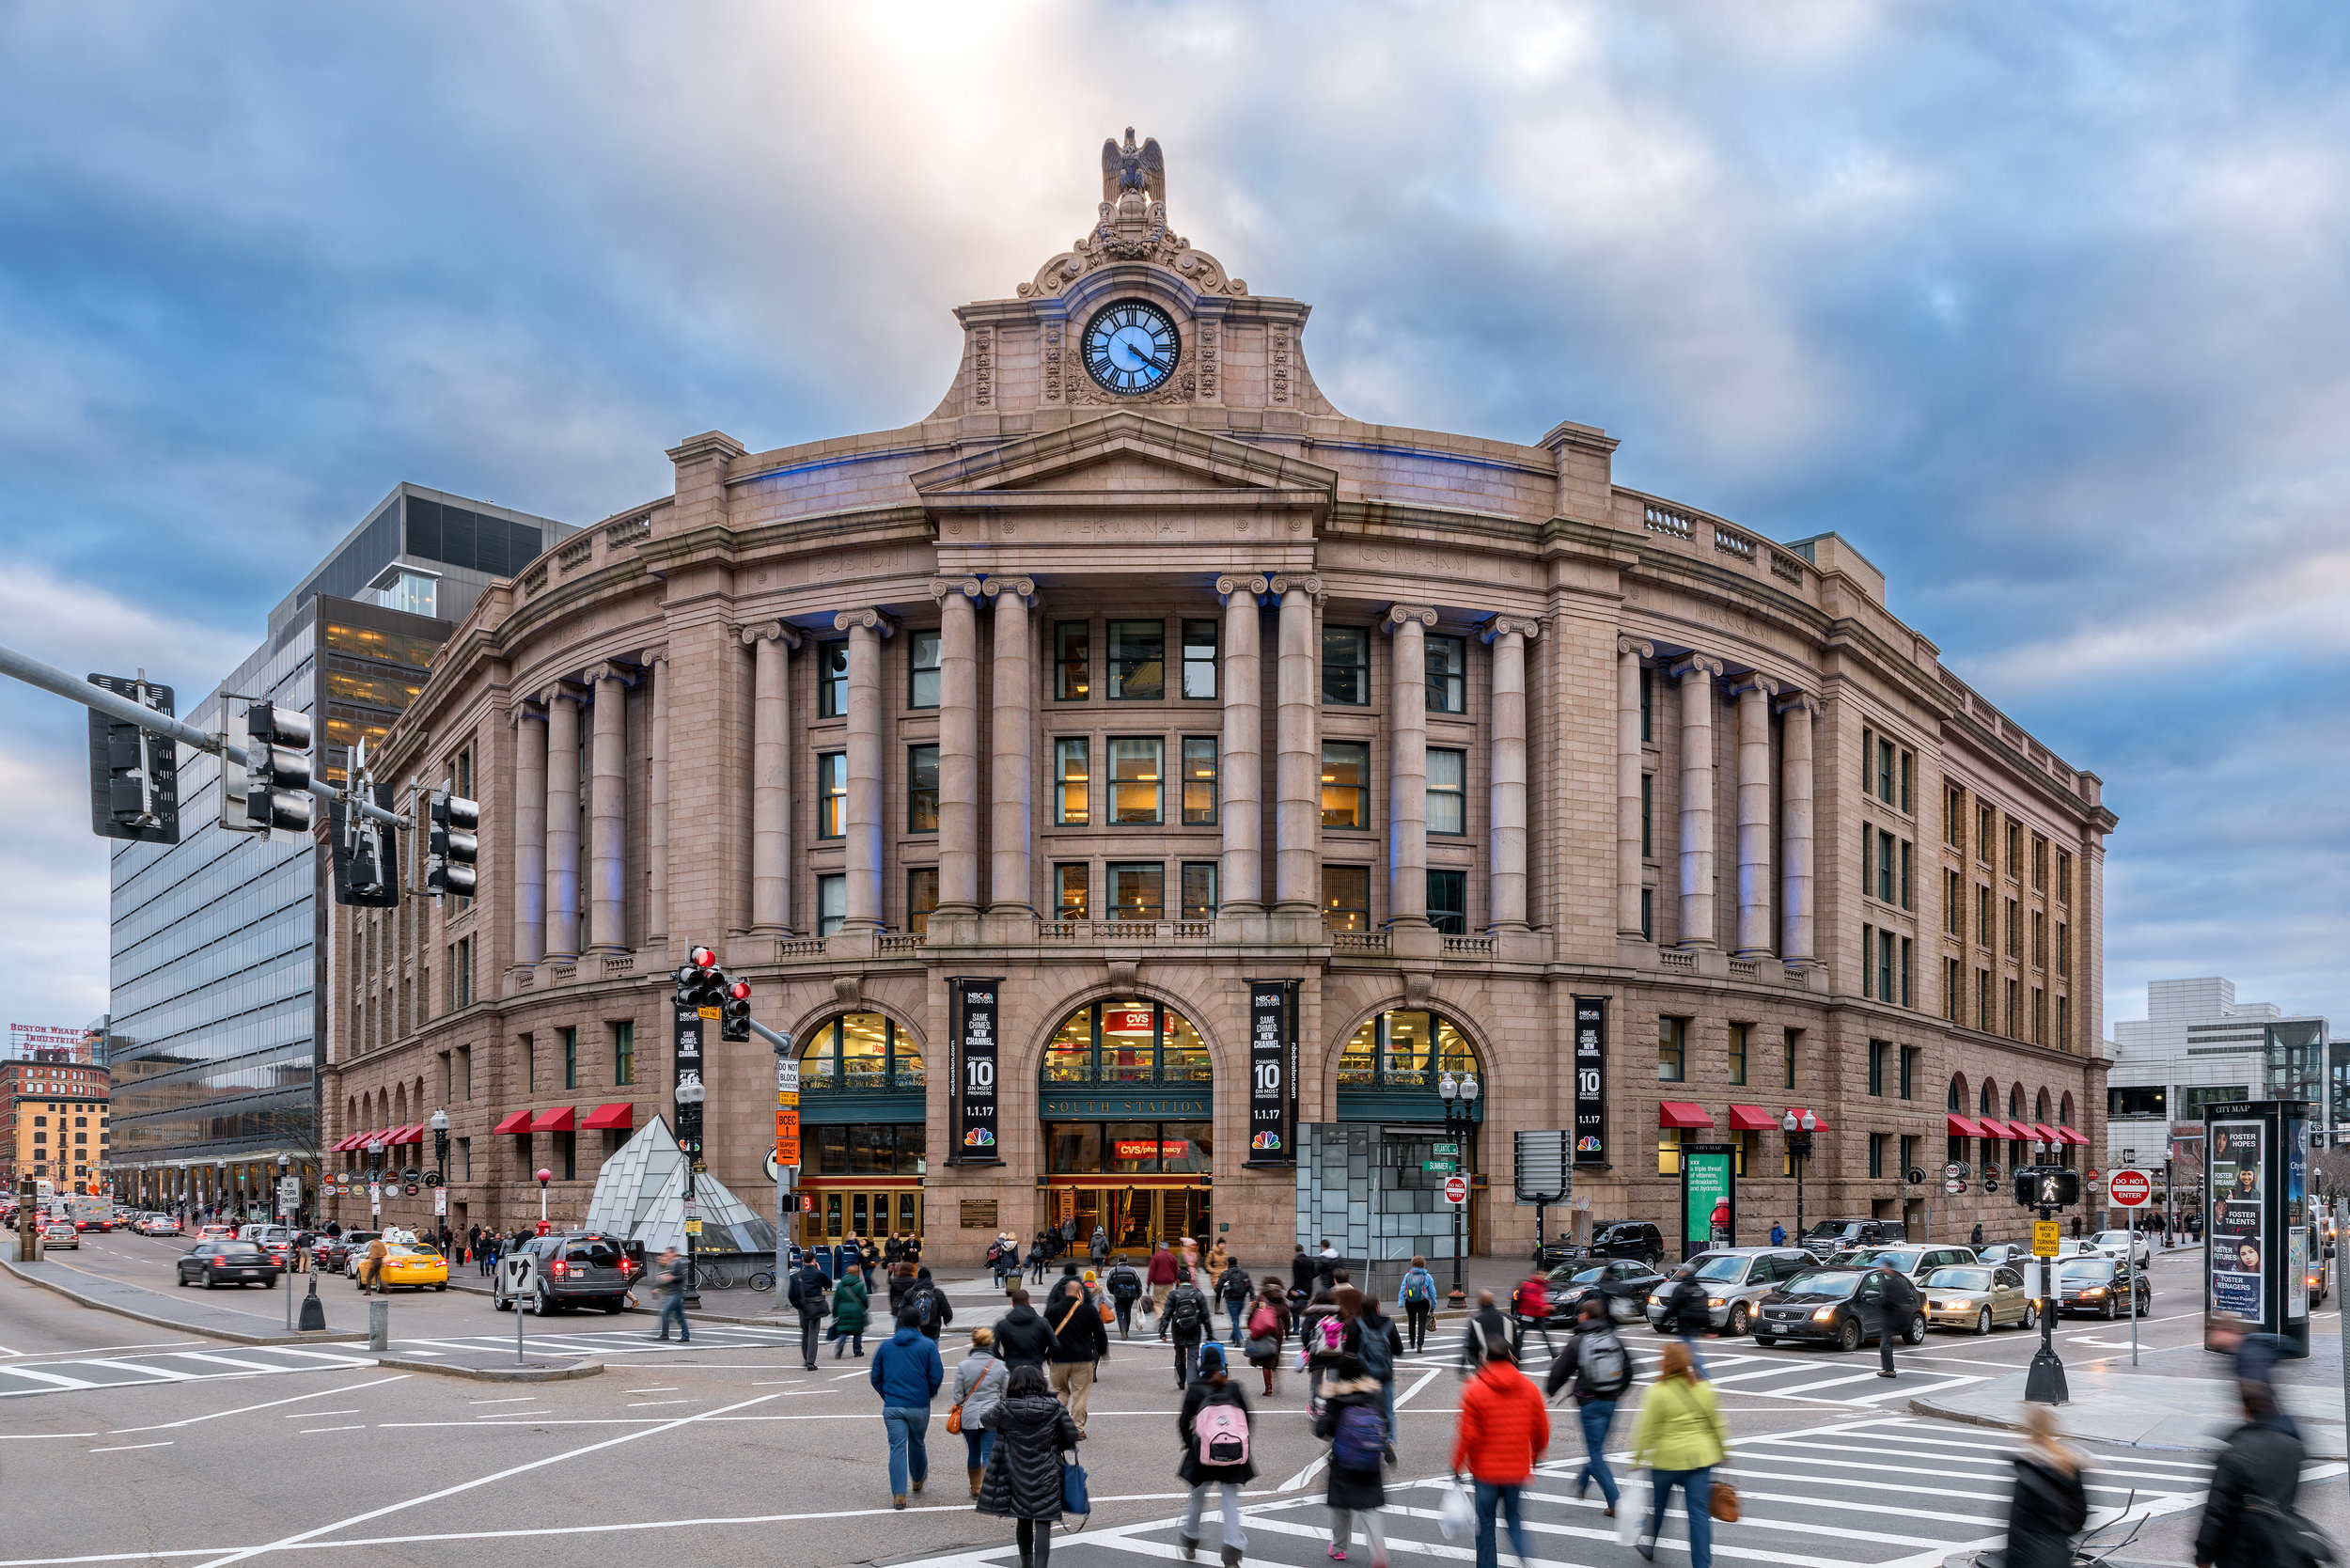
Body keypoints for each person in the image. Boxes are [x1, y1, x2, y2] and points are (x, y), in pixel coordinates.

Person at [1450, 1340, 1548, 1568]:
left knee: (1486, 1525)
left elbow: (1467, 1435)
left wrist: (1457, 1466)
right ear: (1510, 1358)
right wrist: (1535, 1458)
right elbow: (1541, 1429)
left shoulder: (1475, 1389)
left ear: (1485, 1360)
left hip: (1485, 1472)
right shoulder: (1529, 1388)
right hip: (1516, 1470)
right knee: (1513, 1518)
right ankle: (1526, 1557)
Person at [1631, 1341, 1729, 1566]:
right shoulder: (1704, 1389)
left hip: (1666, 1461)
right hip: (1699, 1460)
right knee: (1698, 1515)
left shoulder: (1657, 1392)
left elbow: (1645, 1428)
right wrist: (1724, 1451)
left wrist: (1637, 1458)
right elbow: (1717, 1423)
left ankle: (1649, 1545)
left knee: (1659, 1505)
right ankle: (1702, 1563)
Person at [2194, 1382, 2309, 1568]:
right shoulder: (2292, 1448)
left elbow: (2217, 1511)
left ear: (2245, 1410)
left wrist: (2204, 1555)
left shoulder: (2235, 1453)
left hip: (2242, 1551)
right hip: (2282, 1548)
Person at [977, 1363, 1081, 1568]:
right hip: (1047, 1471)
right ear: (1041, 1382)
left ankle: (1026, 1564)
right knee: (1044, 1520)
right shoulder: (1055, 1406)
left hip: (1016, 1472)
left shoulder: (1005, 1408)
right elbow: (1072, 1436)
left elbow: (985, 1420)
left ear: (1013, 1384)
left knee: (1023, 1519)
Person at [1547, 1296, 1633, 1517]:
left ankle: (1615, 1502)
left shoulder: (1578, 1341)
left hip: (1590, 1403)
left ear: (1586, 1316)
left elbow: (1559, 1372)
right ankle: (1583, 1482)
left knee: (1596, 1453)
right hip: (1611, 1402)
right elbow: (1631, 1371)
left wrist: (1551, 1390)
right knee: (1597, 1449)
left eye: (1580, 1313)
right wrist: (1616, 1392)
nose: (1578, 1316)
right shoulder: (1613, 1339)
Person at [1178, 1341, 1257, 1567]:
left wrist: (1189, 1444)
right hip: (1232, 1453)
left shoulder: (1195, 1389)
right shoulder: (1233, 1387)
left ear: (1202, 1363)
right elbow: (1248, 1420)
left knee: (1197, 1497)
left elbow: (1183, 1423)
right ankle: (1232, 1550)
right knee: (1230, 1501)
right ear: (1223, 1364)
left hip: (1202, 1453)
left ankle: (1191, 1537)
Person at [1315, 1352, 1390, 1564]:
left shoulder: (1336, 1398)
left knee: (1341, 1506)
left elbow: (1322, 1431)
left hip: (1343, 1460)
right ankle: (1378, 1551)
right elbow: (1384, 1424)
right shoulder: (1373, 1395)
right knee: (1369, 1508)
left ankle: (1338, 1548)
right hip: (1370, 1460)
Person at [871, 1308, 945, 1510]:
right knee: (917, 1442)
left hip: (893, 1405)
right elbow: (936, 1375)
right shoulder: (928, 1345)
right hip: (918, 1404)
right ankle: (918, 1478)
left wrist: (886, 1395)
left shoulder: (885, 1347)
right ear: (919, 1325)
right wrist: (928, 1393)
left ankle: (899, 1494)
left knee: (897, 1447)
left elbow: (875, 1377)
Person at [2003, 1404, 2089, 1568]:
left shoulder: (2027, 1468)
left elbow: (2016, 1523)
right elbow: (2080, 1515)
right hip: (2056, 1555)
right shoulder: (2069, 1465)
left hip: (2024, 1557)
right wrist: (2057, 1536)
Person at [1044, 1267, 1109, 1435]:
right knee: (1080, 1394)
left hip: (1059, 1357)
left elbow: (1045, 1332)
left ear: (1064, 1292)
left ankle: (1055, 1424)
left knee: (1060, 1392)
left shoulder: (1053, 1310)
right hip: (1083, 1357)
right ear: (1080, 1292)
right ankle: (1077, 1427)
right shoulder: (1088, 1311)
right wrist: (1102, 1351)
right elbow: (1100, 1333)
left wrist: (1045, 1353)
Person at [952, 1325, 1011, 1498]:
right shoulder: (999, 1366)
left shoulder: (963, 1366)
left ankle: (975, 1486)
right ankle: (988, 1488)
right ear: (991, 1343)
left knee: (973, 1452)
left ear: (973, 1342)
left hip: (969, 1414)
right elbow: (1005, 1391)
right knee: (989, 1453)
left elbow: (957, 1394)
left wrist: (964, 1403)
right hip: (991, 1413)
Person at [1349, 1294, 1404, 1440]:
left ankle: (1367, 1439)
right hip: (1385, 1374)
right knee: (1388, 1410)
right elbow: (1399, 1350)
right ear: (1378, 1307)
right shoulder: (1388, 1323)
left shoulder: (1356, 1324)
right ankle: (1390, 1440)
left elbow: (1349, 1351)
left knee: (1363, 1409)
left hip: (1363, 1375)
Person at [1867, 1257, 1919, 1379]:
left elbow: (1892, 1301)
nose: (1881, 1268)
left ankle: (1889, 1370)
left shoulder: (1894, 1282)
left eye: (1883, 1266)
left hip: (1891, 1319)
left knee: (1885, 1345)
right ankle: (1888, 1368)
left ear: (1888, 1268)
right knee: (1886, 1344)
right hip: (1893, 1318)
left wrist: (1880, 1304)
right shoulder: (1896, 1281)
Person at [1656, 1262, 1711, 1375]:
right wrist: (1709, 1328)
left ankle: (1704, 1378)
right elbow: (1704, 1310)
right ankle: (1696, 1377)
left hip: (1685, 1326)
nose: (1679, 1273)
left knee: (1691, 1355)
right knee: (1690, 1353)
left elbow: (1671, 1308)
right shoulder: (1698, 1288)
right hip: (1694, 1327)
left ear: (1685, 1273)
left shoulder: (1681, 1288)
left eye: (1680, 1271)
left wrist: (1661, 1322)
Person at [1162, 1265, 1214, 1388]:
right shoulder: (1198, 1294)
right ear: (1191, 1280)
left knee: (1179, 1355)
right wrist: (1209, 1333)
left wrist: (1162, 1331)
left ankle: (1181, 1380)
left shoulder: (1173, 1294)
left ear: (1178, 1281)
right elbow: (1205, 1315)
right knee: (1192, 1356)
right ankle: (1192, 1382)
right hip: (1194, 1328)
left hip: (1178, 1328)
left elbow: (1167, 1314)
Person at [1245, 1279, 1291, 1396]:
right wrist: (1287, 1332)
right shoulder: (1281, 1298)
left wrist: (1251, 1324)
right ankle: (1275, 1374)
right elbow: (1286, 1315)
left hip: (1264, 1328)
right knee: (1275, 1354)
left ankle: (1268, 1388)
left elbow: (1253, 1313)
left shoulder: (1262, 1297)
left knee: (1266, 1359)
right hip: (1277, 1329)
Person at [786, 1252, 831, 1370]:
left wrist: (798, 1306)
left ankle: (806, 1358)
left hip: (803, 1307)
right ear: (814, 1260)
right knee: (813, 1333)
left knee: (805, 1332)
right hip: (815, 1306)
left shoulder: (797, 1276)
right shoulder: (818, 1274)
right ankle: (811, 1361)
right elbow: (828, 1284)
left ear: (803, 1261)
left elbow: (791, 1295)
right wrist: (820, 1271)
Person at [994, 1288, 1056, 1371]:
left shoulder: (1002, 1324)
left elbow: (992, 1347)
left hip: (1011, 1367)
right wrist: (1043, 1357)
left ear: (1012, 1304)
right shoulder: (1042, 1323)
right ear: (1029, 1302)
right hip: (1035, 1367)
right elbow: (1055, 1345)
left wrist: (1003, 1361)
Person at [1461, 1288, 1510, 1378]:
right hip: (1508, 1365)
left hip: (1485, 1367)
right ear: (1493, 1301)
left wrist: (1464, 1363)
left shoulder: (1476, 1320)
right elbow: (1517, 1344)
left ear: (1479, 1302)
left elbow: (1470, 1346)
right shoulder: (1507, 1318)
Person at [1510, 1267, 1555, 1359]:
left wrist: (1545, 1305)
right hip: (1528, 1313)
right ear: (1536, 1275)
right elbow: (1531, 1298)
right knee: (1523, 1335)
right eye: (1542, 1274)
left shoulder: (1541, 1285)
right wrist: (1544, 1306)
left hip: (1536, 1314)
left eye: (1544, 1274)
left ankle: (1552, 1352)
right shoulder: (1531, 1285)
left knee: (1541, 1334)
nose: (1544, 1276)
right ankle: (1516, 1353)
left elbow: (1539, 1298)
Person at [648, 1247, 689, 1342]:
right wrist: (659, 1287)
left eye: (668, 1253)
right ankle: (685, 1335)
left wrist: (671, 1278)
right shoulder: (672, 1264)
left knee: (665, 1313)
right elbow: (668, 1280)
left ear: (673, 1253)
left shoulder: (678, 1263)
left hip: (676, 1293)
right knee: (680, 1316)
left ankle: (665, 1335)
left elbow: (681, 1276)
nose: (667, 1255)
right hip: (673, 1293)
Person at [832, 1256, 871, 1357]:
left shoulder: (841, 1285)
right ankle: (857, 1351)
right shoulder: (859, 1285)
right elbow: (864, 1299)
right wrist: (865, 1308)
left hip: (843, 1311)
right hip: (857, 1311)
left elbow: (836, 1300)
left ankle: (840, 1346)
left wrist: (835, 1313)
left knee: (844, 1330)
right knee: (858, 1332)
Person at [1398, 1256, 1438, 1352]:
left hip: (1410, 1302)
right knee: (1422, 1323)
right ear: (1423, 1264)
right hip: (1423, 1302)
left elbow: (1403, 1289)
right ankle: (1420, 1345)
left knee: (1411, 1322)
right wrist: (1433, 1305)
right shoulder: (1427, 1277)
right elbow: (1432, 1292)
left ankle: (1412, 1342)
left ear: (1412, 1264)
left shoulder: (1408, 1275)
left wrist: (1401, 1302)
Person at [908, 1265, 954, 1342]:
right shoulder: (937, 1293)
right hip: (933, 1330)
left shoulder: (910, 1293)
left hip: (915, 1331)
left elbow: (902, 1311)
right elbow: (948, 1312)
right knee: (931, 1352)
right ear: (930, 1278)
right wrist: (946, 1321)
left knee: (916, 1353)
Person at [1216, 1257, 1254, 1344]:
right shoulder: (1244, 1274)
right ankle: (1233, 1337)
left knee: (1235, 1319)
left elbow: (1218, 1287)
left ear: (1228, 1264)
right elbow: (1250, 1286)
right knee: (1236, 1319)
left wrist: (1220, 1293)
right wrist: (1252, 1298)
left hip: (1231, 1300)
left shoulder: (1225, 1274)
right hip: (1241, 1300)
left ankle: (1238, 1339)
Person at [1105, 1254, 1144, 1339]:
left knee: (1119, 1313)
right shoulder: (1132, 1271)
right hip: (1130, 1296)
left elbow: (1109, 1284)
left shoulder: (1113, 1271)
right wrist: (1139, 1294)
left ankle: (1122, 1328)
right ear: (1127, 1260)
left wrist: (1113, 1292)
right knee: (1127, 1312)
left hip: (1118, 1295)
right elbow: (1138, 1283)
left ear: (1118, 1261)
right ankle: (1126, 1329)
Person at [1149, 1240, 1181, 1315]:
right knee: (1166, 1300)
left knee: (1156, 1301)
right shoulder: (1172, 1257)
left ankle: (1160, 1315)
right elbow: (1176, 1270)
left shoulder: (1156, 1257)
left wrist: (1149, 1283)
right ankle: (1163, 1314)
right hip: (1169, 1283)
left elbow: (1152, 1270)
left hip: (1158, 1283)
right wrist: (1177, 1281)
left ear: (1160, 1247)